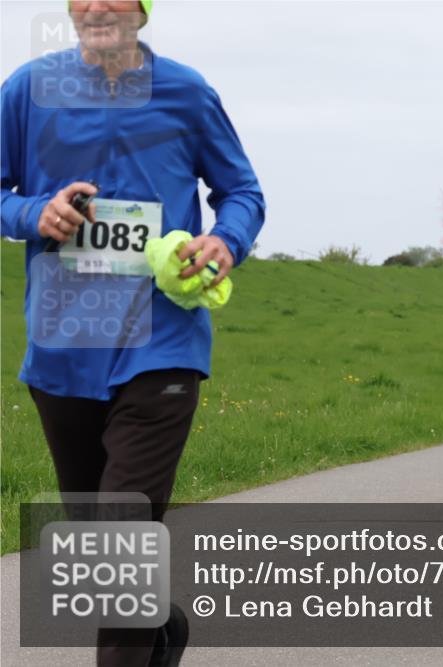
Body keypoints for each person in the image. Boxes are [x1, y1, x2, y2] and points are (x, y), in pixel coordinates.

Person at [1, 2, 265, 664]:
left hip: (161, 343)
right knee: (102, 558)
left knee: (119, 542)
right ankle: (162, 623)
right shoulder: (26, 90)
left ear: (142, 8)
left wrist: (225, 239)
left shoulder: (187, 91)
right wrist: (36, 211)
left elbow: (243, 191)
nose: (97, 6)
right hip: (62, 349)